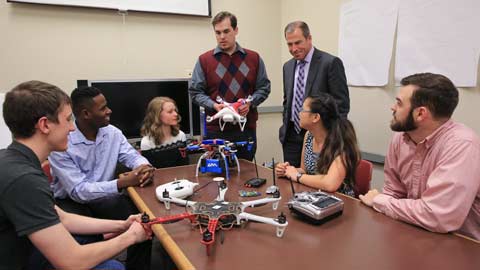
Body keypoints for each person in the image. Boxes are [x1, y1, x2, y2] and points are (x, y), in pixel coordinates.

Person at [0, 80, 151, 270]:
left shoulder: (16, 161)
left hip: (27, 247)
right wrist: (132, 236)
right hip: (22, 259)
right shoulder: (24, 179)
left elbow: (62, 218)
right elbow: (72, 262)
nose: (72, 128)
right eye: (68, 119)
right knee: (112, 268)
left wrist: (122, 225)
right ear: (45, 125)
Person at [359, 73, 480, 240]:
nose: (392, 107)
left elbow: (437, 215)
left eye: (399, 103)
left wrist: (379, 201)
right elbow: (393, 192)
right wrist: (385, 201)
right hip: (415, 233)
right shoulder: (400, 138)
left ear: (421, 114)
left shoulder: (462, 145)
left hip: (463, 245)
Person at [48, 86, 154, 269]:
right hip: (73, 203)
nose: (109, 111)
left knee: (145, 224)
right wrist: (121, 183)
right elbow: (78, 191)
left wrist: (143, 167)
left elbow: (131, 155)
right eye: (103, 108)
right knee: (88, 243)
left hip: (106, 199)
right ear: (86, 113)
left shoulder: (112, 133)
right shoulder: (63, 141)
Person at [189, 11, 271, 161]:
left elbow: (264, 87)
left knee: (245, 173)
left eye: (226, 31)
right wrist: (213, 105)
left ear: (236, 30)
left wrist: (250, 103)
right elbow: (195, 92)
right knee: (217, 177)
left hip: (245, 129)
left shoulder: (254, 58)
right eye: (218, 32)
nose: (222, 37)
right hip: (215, 131)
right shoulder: (204, 60)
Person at [279, 21, 350, 167]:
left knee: (317, 184)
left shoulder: (330, 63)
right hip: (292, 136)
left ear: (309, 38)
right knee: (291, 181)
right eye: (289, 44)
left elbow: (341, 106)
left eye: (298, 42)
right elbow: (288, 102)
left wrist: (331, 138)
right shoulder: (288, 66)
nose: (294, 49)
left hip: (320, 139)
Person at [275, 94, 360, 197]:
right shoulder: (309, 136)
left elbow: (330, 184)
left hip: (340, 202)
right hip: (314, 196)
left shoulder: (341, 143)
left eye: (303, 110)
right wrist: (287, 170)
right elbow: (305, 170)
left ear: (316, 117)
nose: (299, 113)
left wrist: (296, 175)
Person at [140, 96, 188, 168]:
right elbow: (150, 172)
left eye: (175, 110)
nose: (176, 114)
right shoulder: (147, 142)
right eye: (170, 112)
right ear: (157, 116)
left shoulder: (180, 135)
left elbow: (185, 166)